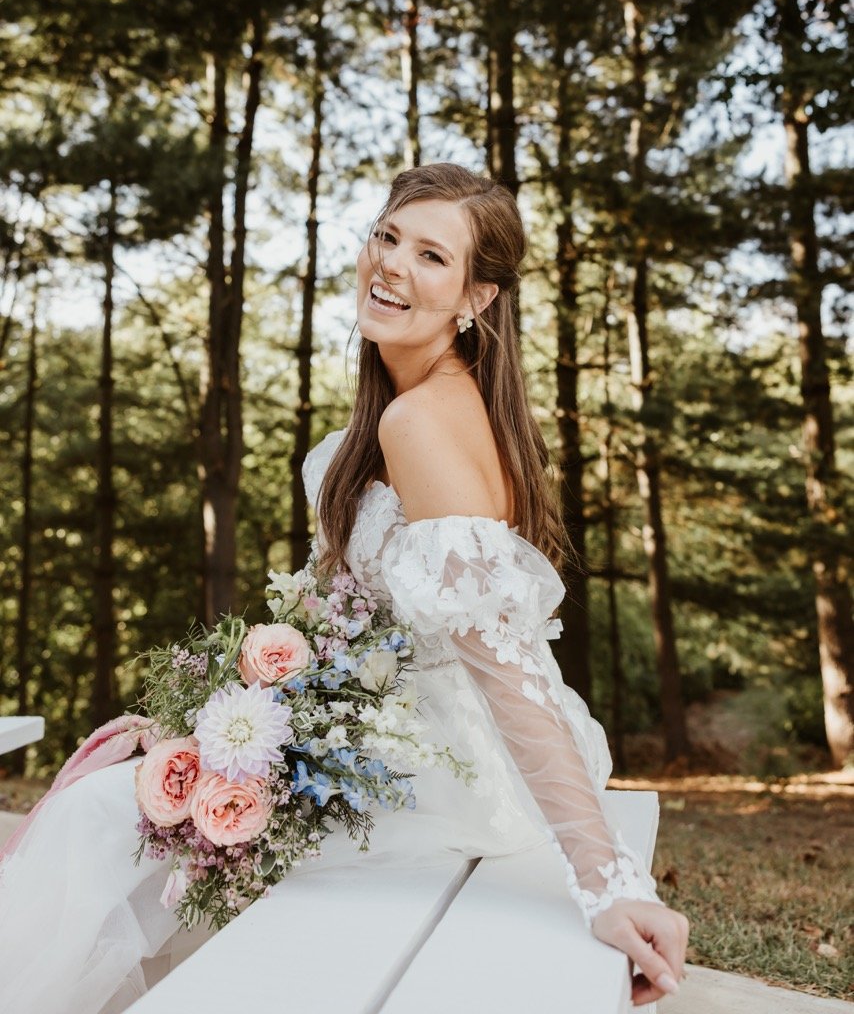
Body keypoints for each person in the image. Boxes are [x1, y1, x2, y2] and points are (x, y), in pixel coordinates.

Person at [0, 162, 688, 1012]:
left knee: (95, 825)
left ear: (476, 298)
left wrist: (610, 880)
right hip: (386, 731)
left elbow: (504, 666)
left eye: (432, 256)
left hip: (434, 768)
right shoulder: (425, 402)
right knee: (126, 805)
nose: (392, 264)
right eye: (388, 237)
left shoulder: (421, 421)